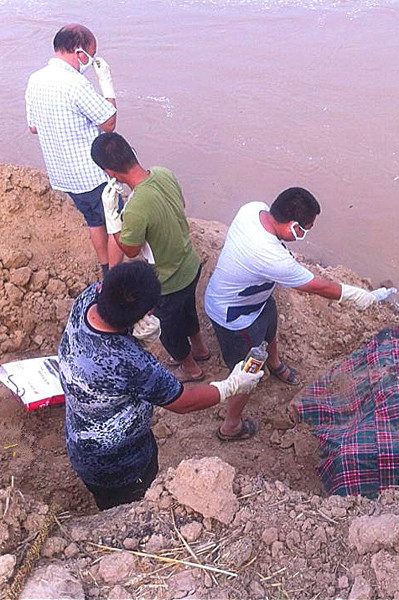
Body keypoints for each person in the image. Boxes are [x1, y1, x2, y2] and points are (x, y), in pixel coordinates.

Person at [58, 262, 263, 510]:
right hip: (121, 463)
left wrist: (134, 334)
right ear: (141, 315)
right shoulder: (130, 362)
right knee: (126, 508)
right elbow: (182, 401)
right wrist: (231, 386)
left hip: (81, 439)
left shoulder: (88, 298)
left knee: (106, 499)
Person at [203, 187, 381, 440]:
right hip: (234, 316)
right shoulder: (272, 257)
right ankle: (231, 425)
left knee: (270, 327)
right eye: (305, 229)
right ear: (294, 226)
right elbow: (318, 287)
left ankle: (274, 364)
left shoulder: (252, 209)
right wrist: (355, 295)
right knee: (246, 372)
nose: (305, 235)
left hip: (257, 299)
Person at [90, 132, 212, 383]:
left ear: (109, 172)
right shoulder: (163, 172)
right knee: (187, 310)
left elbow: (131, 250)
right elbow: (181, 203)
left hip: (168, 279)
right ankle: (201, 349)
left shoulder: (135, 208)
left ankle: (190, 368)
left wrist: (113, 220)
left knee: (168, 327)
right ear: (131, 151)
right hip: (190, 263)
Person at [25, 24, 121, 278]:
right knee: (117, 224)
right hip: (92, 175)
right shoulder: (75, 83)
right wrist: (107, 86)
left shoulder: (34, 79)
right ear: (79, 52)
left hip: (64, 176)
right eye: (91, 54)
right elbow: (108, 123)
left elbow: (33, 128)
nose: (90, 60)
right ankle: (116, 275)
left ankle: (105, 269)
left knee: (94, 221)